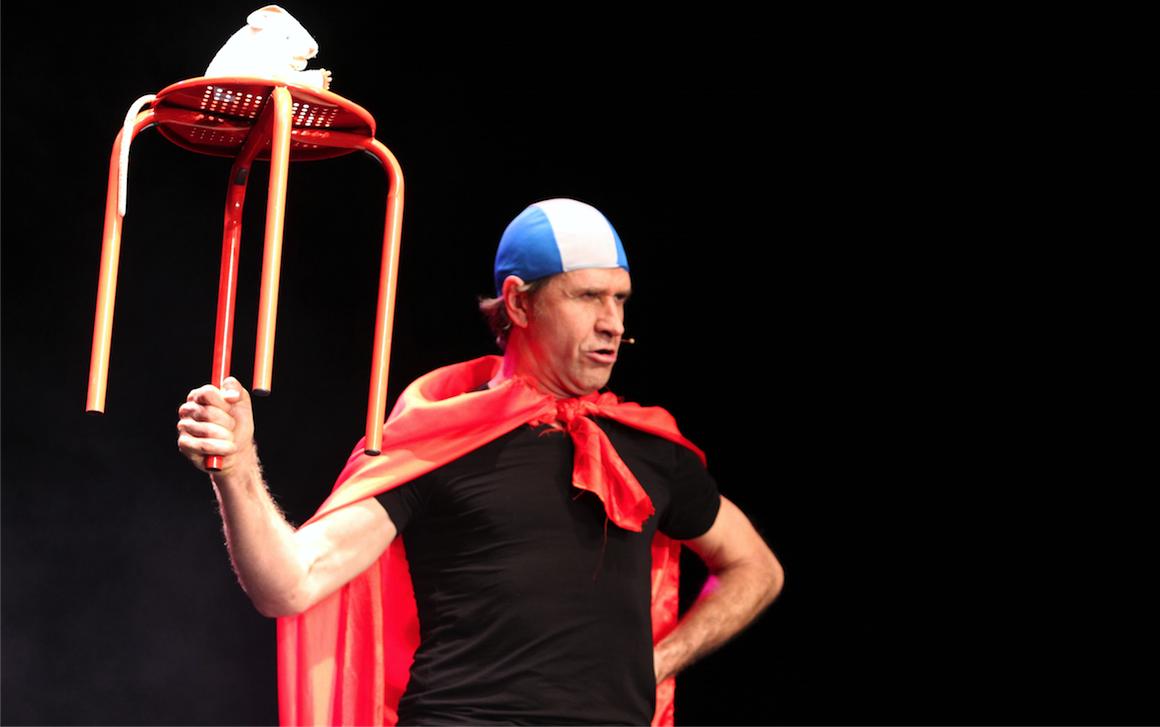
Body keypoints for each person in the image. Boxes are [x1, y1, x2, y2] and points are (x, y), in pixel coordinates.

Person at [177, 198, 783, 726]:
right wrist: (239, 468)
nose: (613, 323)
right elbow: (289, 584)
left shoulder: (646, 447)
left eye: (620, 298)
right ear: (518, 303)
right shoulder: (439, 439)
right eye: (588, 297)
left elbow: (756, 568)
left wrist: (658, 662)